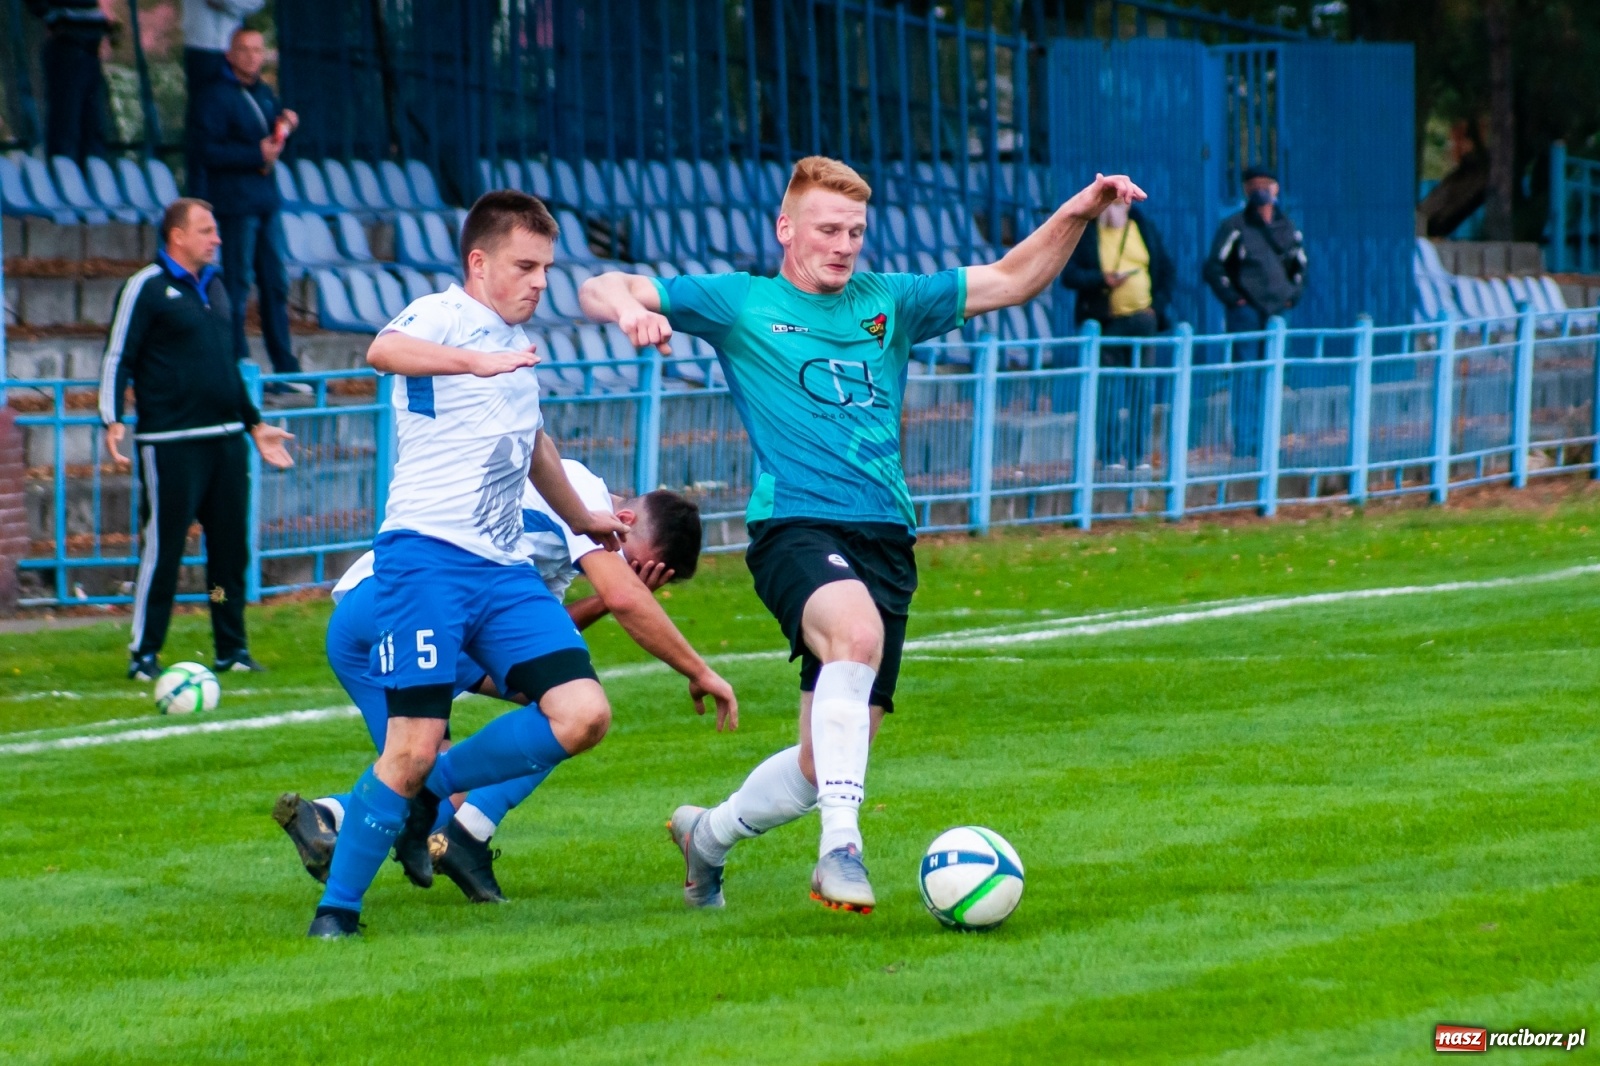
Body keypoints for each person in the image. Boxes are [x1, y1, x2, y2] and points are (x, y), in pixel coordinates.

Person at [580, 157, 1143, 913]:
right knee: (854, 632)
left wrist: (1079, 209)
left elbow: (1013, 278)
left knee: (826, 762)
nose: (844, 245)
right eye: (828, 229)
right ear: (786, 229)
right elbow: (601, 285)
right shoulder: (744, 302)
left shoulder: (893, 302)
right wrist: (628, 311)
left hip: (887, 538)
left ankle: (705, 838)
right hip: (796, 525)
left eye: (855, 232)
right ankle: (841, 850)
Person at [301, 191, 646, 940]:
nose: (538, 282)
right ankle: (338, 912)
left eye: (548, 269)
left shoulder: (515, 352)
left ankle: (430, 797)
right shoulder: (445, 313)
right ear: (479, 261)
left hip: (504, 571)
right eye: (525, 265)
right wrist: (475, 361)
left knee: (583, 714)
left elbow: (533, 445)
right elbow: (381, 351)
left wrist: (582, 516)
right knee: (410, 744)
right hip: (425, 558)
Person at [274, 467, 729, 904]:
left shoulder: (562, 549)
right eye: (632, 565)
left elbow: (540, 650)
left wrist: (609, 599)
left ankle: (333, 817)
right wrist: (698, 669)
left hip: (385, 616)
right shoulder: (581, 492)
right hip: (398, 603)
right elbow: (621, 595)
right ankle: (451, 840)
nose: (623, 573)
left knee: (453, 756)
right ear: (624, 522)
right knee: (560, 709)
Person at [96, 198, 296, 682]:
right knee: (163, 550)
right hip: (171, 443)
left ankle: (231, 647)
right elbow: (117, 354)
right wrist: (112, 417)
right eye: (206, 230)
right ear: (177, 236)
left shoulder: (220, 285)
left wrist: (254, 423)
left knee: (228, 557)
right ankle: (145, 652)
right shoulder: (145, 287)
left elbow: (230, 364)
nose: (217, 238)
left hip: (226, 441)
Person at [196, 28, 306, 389]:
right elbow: (207, 152)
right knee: (238, 283)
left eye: (258, 50)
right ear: (230, 54)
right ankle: (237, 361)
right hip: (235, 204)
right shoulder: (215, 96)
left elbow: (272, 144)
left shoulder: (265, 93)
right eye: (244, 50)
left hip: (266, 202)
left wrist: (285, 128)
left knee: (275, 284)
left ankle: (286, 368)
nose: (252, 57)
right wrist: (252, 154)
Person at [1060, 200, 1175, 472]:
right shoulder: (1089, 233)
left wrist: (1154, 310)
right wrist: (1103, 279)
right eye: (1110, 203)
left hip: (1143, 320)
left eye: (1121, 202)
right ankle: (1110, 456)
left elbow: (1166, 271)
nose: (1115, 209)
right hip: (1106, 321)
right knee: (1108, 391)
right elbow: (1070, 275)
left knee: (1142, 389)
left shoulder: (1143, 227)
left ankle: (1138, 456)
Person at [1202, 165, 1307, 459]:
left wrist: (1291, 296)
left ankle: (1267, 441)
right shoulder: (1235, 226)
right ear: (1246, 190)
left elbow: (1300, 266)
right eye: (1255, 185)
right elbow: (1213, 267)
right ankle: (1246, 444)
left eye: (1267, 184)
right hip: (1247, 313)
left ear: (1277, 189)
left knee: (1272, 376)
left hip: (1277, 313)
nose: (1262, 191)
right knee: (1246, 376)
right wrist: (1235, 299)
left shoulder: (1288, 227)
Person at [182, 0, 266, 198]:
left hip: (233, 44)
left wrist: (230, 5)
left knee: (240, 115)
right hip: (202, 47)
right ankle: (199, 197)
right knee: (204, 124)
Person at [25, 0, 111, 164]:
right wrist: (54, 17)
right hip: (68, 42)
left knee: (91, 127)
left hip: (88, 44)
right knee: (67, 124)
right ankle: (66, 175)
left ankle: (90, 173)